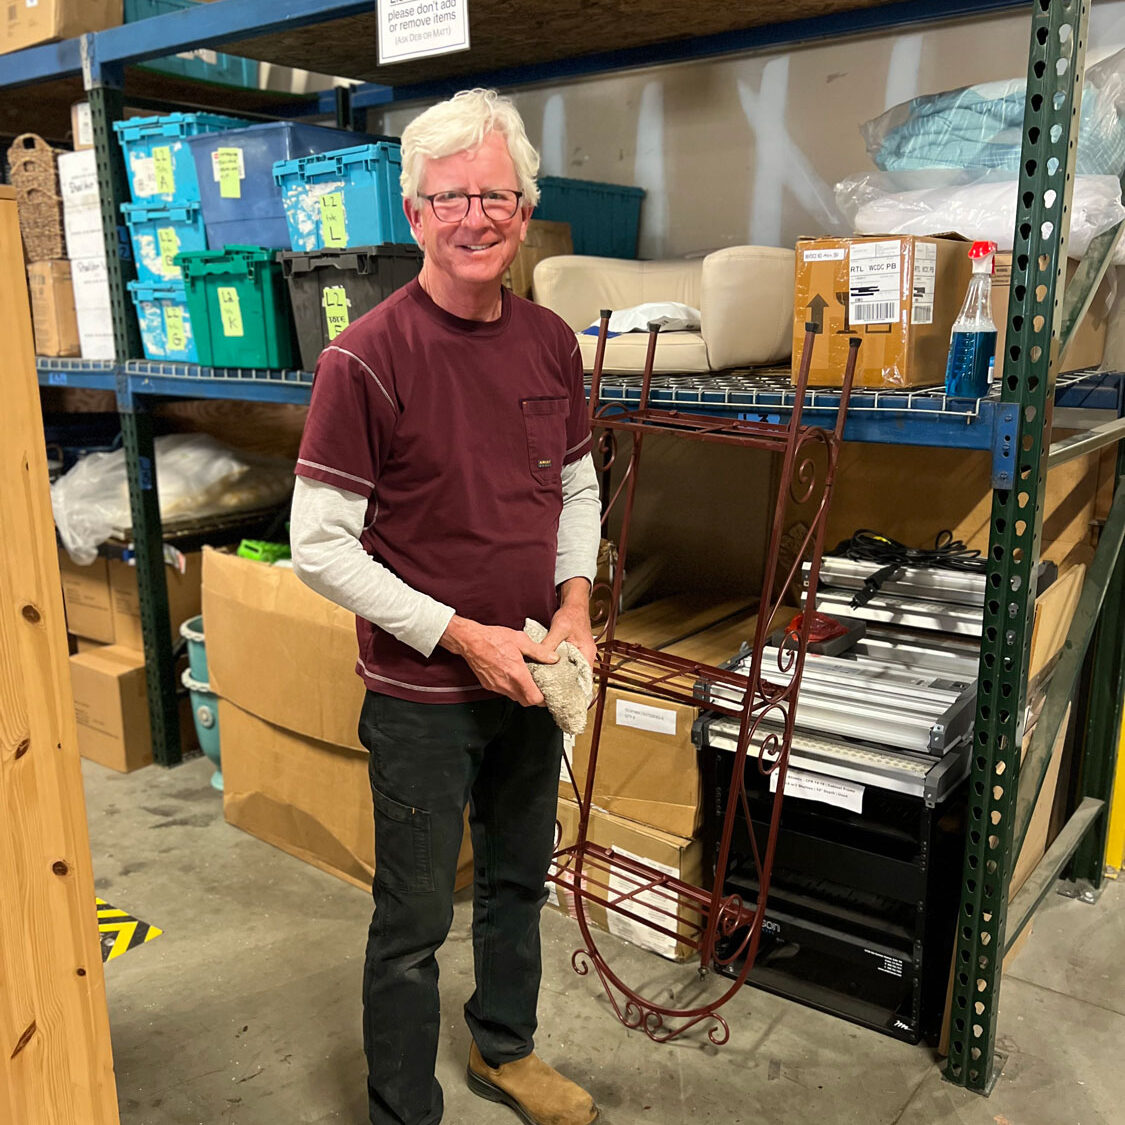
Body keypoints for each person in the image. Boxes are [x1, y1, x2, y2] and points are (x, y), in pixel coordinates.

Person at [290, 87, 602, 1125]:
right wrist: (456, 636)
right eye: (451, 196)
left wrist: (573, 608)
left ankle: (505, 1052)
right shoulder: (367, 357)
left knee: (519, 886)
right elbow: (319, 546)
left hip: (529, 673)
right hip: (422, 695)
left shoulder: (553, 343)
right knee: (413, 920)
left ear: (524, 212)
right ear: (415, 214)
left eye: (497, 195)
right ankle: (401, 1110)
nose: (476, 216)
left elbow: (577, 486)